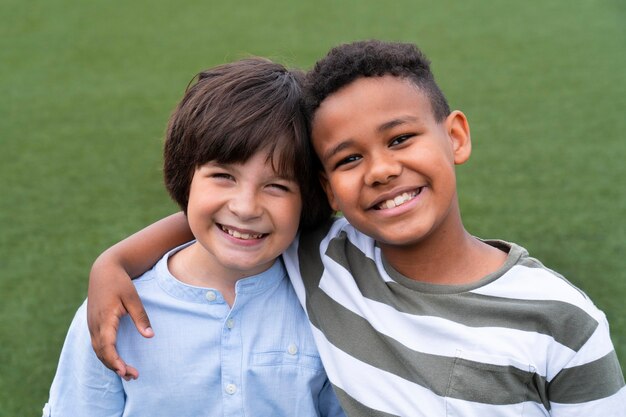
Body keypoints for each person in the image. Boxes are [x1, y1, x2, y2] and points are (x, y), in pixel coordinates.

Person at [85, 41, 626, 416]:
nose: (382, 170)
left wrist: (114, 260)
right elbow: (233, 215)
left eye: (399, 139)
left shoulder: (563, 321)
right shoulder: (326, 259)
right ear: (326, 190)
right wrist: (115, 263)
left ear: (455, 136)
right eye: (347, 160)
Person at [43, 58, 345, 417]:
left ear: (309, 198)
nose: (246, 207)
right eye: (223, 176)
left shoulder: (328, 300)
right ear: (186, 176)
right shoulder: (114, 312)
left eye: (277, 186)